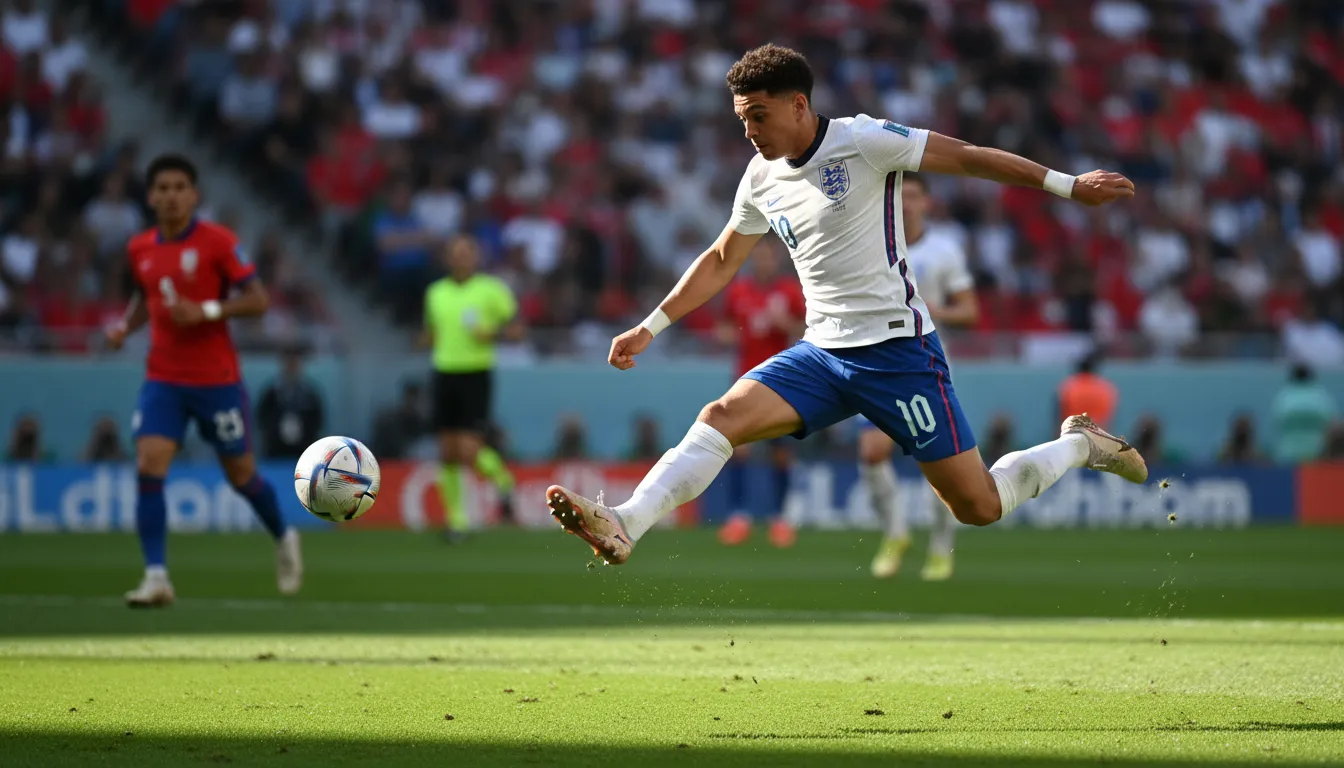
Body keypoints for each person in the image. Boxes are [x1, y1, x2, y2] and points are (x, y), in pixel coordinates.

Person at [543, 44, 1146, 567]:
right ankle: (626, 520)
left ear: (799, 104)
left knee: (978, 506)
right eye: (741, 119)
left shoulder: (864, 141)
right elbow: (724, 257)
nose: (750, 131)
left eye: (759, 115)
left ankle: (1080, 444)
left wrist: (1068, 186)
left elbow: (965, 156)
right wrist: (651, 326)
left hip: (897, 351)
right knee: (721, 416)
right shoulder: (759, 176)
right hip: (821, 353)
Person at [105, 153, 301, 607]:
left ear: (194, 194)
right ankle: (156, 576)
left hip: (217, 380)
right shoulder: (140, 249)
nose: (172, 196)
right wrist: (123, 327)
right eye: (163, 188)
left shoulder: (219, 242)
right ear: (151, 196)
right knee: (150, 463)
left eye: (180, 187)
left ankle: (283, 535)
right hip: (164, 379)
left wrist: (208, 310)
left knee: (240, 475)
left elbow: (258, 299)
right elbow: (145, 297)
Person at [858, 173, 978, 581]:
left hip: (926, 362)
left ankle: (941, 549)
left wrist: (930, 310)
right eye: (900, 196)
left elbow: (970, 310)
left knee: (939, 462)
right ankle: (895, 534)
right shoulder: (871, 240)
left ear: (926, 202)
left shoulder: (944, 250)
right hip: (880, 361)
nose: (906, 203)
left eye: (913, 196)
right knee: (872, 451)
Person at [421, 235, 522, 542]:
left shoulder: (492, 291)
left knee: (468, 449)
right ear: (448, 259)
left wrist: (492, 333)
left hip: (475, 373)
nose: (462, 258)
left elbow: (517, 331)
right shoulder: (435, 293)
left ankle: (503, 480)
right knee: (447, 450)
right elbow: (431, 333)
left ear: (476, 258)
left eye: (467, 253)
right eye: (456, 254)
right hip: (443, 372)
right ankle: (458, 522)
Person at [715, 242, 806, 548]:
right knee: (740, 449)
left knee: (780, 453)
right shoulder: (739, 291)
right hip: (745, 381)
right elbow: (724, 328)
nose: (763, 261)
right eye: (759, 256)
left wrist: (786, 325)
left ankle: (780, 519)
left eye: (768, 255)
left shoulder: (790, 292)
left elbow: (809, 328)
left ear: (776, 259)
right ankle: (738, 518)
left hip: (783, 380)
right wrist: (735, 332)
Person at [255, 346, 325, 460]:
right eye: (289, 363)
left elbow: (318, 421)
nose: (292, 367)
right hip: (276, 452)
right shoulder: (271, 394)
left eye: (295, 364)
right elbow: (261, 418)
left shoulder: (310, 394)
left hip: (303, 452)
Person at [1272, 364, 1338, 464]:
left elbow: (1277, 422)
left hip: (1289, 454)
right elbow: (1332, 425)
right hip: (1316, 453)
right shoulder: (1321, 397)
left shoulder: (1284, 397)